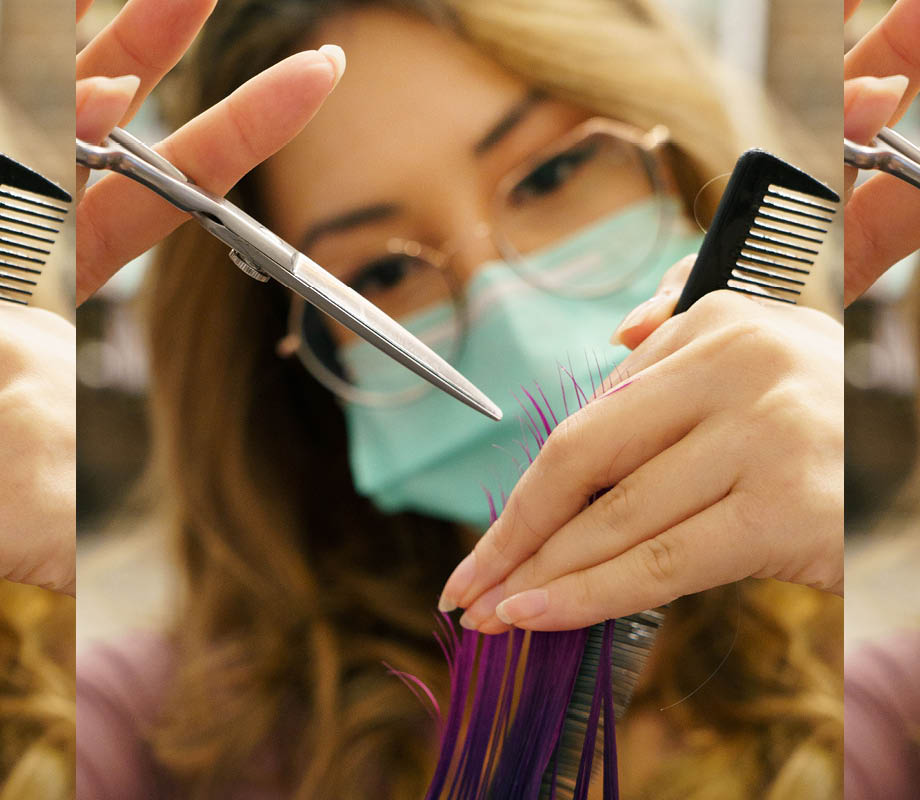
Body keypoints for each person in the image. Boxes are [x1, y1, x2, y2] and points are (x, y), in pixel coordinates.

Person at [76, 0, 845, 797]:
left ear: (683, 156)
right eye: (377, 276)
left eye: (552, 173)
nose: (513, 326)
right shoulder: (145, 738)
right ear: (286, 375)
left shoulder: (877, 697)